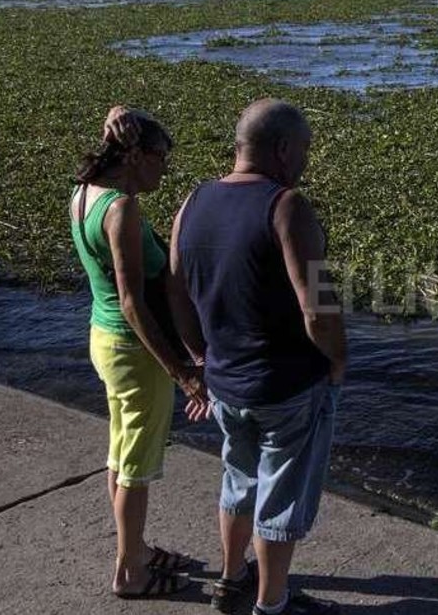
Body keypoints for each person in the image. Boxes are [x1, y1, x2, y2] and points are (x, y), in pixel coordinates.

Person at [168, 98, 347, 615]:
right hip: (286, 386)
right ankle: (272, 603)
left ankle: (231, 578)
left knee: (238, 481)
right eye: (305, 149)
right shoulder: (287, 207)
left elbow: (176, 291)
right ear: (283, 149)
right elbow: (318, 308)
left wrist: (200, 356)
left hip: (226, 384)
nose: (306, 161)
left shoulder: (193, 201)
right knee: (280, 500)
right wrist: (337, 360)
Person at [71, 106, 210, 598]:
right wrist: (181, 372)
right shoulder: (121, 210)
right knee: (136, 467)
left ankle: (137, 550)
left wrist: (120, 112)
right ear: (135, 157)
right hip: (134, 352)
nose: (164, 170)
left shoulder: (84, 194)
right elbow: (133, 303)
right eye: (161, 158)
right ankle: (130, 572)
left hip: (104, 340)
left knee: (121, 453)